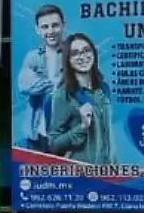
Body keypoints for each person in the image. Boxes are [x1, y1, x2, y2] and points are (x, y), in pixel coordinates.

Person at [48, 34, 115, 164]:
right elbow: (54, 145)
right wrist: (83, 126)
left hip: (107, 172)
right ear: (67, 60)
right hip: (81, 176)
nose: (83, 57)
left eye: (86, 50)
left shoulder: (103, 89)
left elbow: (108, 136)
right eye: (75, 53)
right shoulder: (63, 95)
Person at [18, 5, 66, 151]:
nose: (50, 31)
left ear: (63, 25)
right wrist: (56, 84)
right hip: (37, 134)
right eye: (45, 27)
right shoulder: (32, 57)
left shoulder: (74, 53)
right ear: (37, 29)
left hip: (67, 134)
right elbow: (24, 85)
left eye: (55, 25)